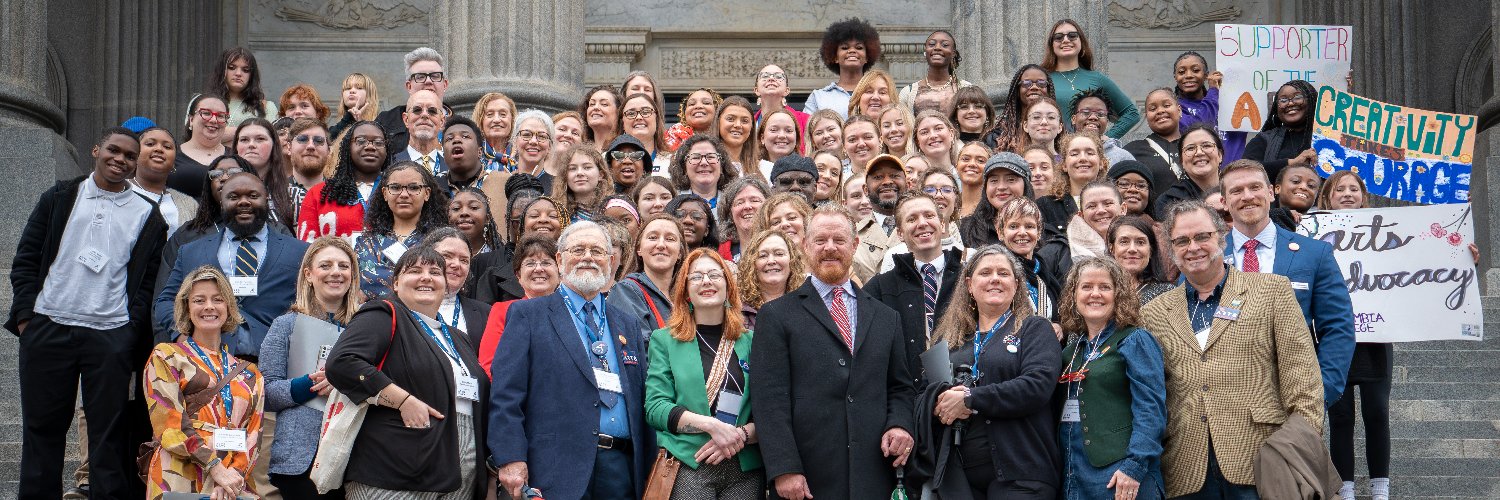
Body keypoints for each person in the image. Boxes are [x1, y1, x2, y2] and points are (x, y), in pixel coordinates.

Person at [9, 127, 165, 499]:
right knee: (42, 431)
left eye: (129, 155)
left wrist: (129, 331)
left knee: (108, 435)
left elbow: (147, 283)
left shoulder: (148, 214)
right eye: (114, 150)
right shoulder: (60, 197)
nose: (120, 159)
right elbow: (26, 257)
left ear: (136, 163)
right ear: (96, 149)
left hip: (110, 334)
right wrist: (27, 318)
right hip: (49, 325)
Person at [1143, 200, 1324, 498]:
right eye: (1182, 241)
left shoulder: (1272, 290)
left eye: (1202, 236)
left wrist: (1298, 450)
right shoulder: (1153, 312)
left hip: (1263, 460)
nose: (1193, 247)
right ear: (1171, 249)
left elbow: (1303, 380)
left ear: (1222, 237)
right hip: (1186, 468)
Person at [751, 204, 915, 500]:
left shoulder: (886, 317)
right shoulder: (776, 315)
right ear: (805, 245)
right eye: (820, 240)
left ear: (855, 244)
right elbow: (769, 400)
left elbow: (900, 387)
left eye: (839, 240)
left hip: (873, 472)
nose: (829, 248)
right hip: (806, 477)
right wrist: (784, 468)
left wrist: (900, 425)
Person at [489, 220, 656, 499]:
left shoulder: (627, 324)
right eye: (578, 250)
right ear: (559, 259)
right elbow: (506, 394)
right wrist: (510, 457)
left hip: (621, 469)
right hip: (554, 467)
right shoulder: (528, 315)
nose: (587, 257)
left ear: (610, 262)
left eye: (597, 251)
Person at [326, 245, 489, 498]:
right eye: (415, 271)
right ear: (395, 283)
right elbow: (343, 362)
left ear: (445, 284)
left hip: (461, 465)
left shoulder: (459, 338)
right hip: (395, 465)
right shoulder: (383, 314)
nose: (426, 277)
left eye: (435, 272)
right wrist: (402, 400)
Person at [926, 244, 1061, 499]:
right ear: (969, 284)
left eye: (1004, 273)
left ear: (1017, 285)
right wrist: (939, 404)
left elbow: (1037, 386)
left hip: (1022, 474)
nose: (995, 279)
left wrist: (970, 398)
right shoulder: (950, 340)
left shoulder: (1034, 329)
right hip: (959, 478)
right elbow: (925, 391)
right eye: (985, 273)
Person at [1219, 159, 1355, 407]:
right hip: (1225, 400)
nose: (1247, 196)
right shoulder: (1208, 256)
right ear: (1224, 201)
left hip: (1294, 399)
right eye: (1236, 191)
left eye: (1255, 187)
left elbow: (1337, 326)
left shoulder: (1314, 253)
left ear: (1271, 192)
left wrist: (1321, 393)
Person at [645, 249, 766, 497]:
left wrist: (738, 436)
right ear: (685, 290)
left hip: (743, 468)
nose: (706, 281)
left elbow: (770, 410)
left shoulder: (752, 341)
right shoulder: (664, 340)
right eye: (697, 277)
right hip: (690, 462)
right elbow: (655, 408)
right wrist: (711, 426)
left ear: (728, 286)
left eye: (714, 275)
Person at [154, 171, 311, 358]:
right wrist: (182, 336)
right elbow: (165, 301)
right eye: (233, 197)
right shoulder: (191, 252)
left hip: (275, 361)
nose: (244, 202)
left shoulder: (300, 251)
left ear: (267, 200)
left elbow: (314, 304)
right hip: (208, 359)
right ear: (222, 202)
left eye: (253, 196)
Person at [144, 266, 266, 500]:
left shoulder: (251, 373)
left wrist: (232, 476)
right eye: (199, 300)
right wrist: (215, 468)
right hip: (179, 473)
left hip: (232, 483)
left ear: (229, 307)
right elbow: (169, 422)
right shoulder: (167, 355)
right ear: (186, 308)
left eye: (217, 299)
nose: (209, 306)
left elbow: (253, 434)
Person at [1055, 257, 1167, 500]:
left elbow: (1151, 408)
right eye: (1086, 287)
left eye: (1104, 287)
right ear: (1074, 295)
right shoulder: (1070, 351)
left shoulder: (1135, 340)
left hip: (1121, 474)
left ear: (1118, 295)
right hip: (1074, 474)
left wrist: (1134, 467)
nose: (1095, 294)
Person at [257, 236, 360, 498]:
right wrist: (311, 384)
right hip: (300, 457)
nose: (336, 272)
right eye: (325, 265)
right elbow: (267, 392)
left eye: (343, 266)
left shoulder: (366, 327)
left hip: (356, 456)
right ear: (308, 275)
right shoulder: (286, 325)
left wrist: (346, 381)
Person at [1315, 171, 1392, 500]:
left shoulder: (1388, 231)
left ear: (1364, 196)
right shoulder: (1314, 233)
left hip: (1376, 336)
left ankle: (1380, 489)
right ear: (1327, 197)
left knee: (1377, 411)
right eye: (1339, 189)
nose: (1347, 194)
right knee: (1340, 415)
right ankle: (1344, 488)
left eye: (1353, 189)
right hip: (1333, 338)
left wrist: (1464, 260)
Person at [863, 193, 963, 386]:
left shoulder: (969, 277)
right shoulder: (880, 288)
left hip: (963, 392)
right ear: (900, 233)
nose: (922, 223)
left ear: (942, 225)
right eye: (912, 219)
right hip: (906, 394)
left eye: (929, 215)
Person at [355, 161, 450, 300]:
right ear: (385, 193)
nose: (404, 194)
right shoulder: (366, 241)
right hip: (377, 312)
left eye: (413, 187)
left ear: (427, 193)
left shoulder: (442, 240)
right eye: (395, 187)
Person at [476, 234, 561, 373]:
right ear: (518, 276)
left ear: (560, 273)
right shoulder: (503, 311)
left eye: (546, 263)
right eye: (530, 263)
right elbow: (490, 365)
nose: (538, 269)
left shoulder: (572, 311)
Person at [1041, 19, 1138, 138]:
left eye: (1072, 35)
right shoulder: (1042, 79)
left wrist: (1106, 139)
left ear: (1081, 42)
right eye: (1058, 37)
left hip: (1086, 148)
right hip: (1051, 148)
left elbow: (1132, 113)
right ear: (1052, 45)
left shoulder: (1097, 78)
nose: (1065, 40)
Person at [298, 120, 386, 242]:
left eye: (378, 142)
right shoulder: (318, 194)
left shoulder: (400, 191)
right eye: (361, 141)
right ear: (347, 147)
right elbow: (306, 248)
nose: (370, 147)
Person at [609, 213, 686, 346]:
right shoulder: (626, 292)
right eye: (652, 237)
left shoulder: (689, 295)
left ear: (680, 252)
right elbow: (641, 348)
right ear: (639, 249)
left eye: (670, 239)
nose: (661, 244)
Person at [1038, 181, 1125, 281]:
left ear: (1123, 209)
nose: (1100, 210)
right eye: (1091, 206)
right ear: (1081, 215)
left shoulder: (1136, 248)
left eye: (1108, 204)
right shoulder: (1056, 252)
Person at [994, 197, 1061, 321]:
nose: (1022, 232)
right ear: (1000, 232)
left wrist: (1058, 326)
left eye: (1029, 226)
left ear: (1039, 232)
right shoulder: (994, 271)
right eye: (1013, 226)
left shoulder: (1044, 273)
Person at [1173, 51, 1248, 163]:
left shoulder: (1230, 103)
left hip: (1234, 171)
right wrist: (1213, 90)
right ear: (1175, 77)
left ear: (1206, 75)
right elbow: (1200, 127)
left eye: (1196, 70)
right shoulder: (1175, 109)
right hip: (1201, 171)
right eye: (1181, 72)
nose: (1188, 75)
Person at [374, 47, 450, 155]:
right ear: (409, 86)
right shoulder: (386, 121)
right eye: (420, 77)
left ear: (445, 84)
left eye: (435, 76)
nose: (428, 81)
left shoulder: (461, 124)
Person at [1243, 80, 1319, 184]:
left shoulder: (1329, 139)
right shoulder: (1264, 139)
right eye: (1283, 100)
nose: (1290, 103)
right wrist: (1291, 163)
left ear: (1312, 101)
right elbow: (1245, 170)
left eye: (1297, 97)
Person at [805, 17, 881, 120]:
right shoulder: (818, 97)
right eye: (845, 48)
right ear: (835, 57)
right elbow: (807, 128)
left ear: (867, 57)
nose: (852, 51)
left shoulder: (880, 95)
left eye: (859, 48)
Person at [134, 126, 200, 237]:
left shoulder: (190, 204)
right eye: (150, 144)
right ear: (134, 154)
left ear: (174, 162)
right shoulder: (117, 192)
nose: (159, 149)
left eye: (167, 147)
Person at [232, 117, 297, 229]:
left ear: (274, 146)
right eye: (244, 140)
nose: (251, 145)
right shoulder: (223, 191)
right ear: (236, 147)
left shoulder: (295, 195)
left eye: (260, 139)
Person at [958, 151, 1033, 247]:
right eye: (994, 180)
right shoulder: (968, 229)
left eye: (1011, 179)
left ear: (1026, 185)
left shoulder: (1042, 227)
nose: (1001, 187)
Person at [852, 154, 907, 283]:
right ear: (866, 189)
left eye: (894, 175)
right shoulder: (852, 234)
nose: (887, 181)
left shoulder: (922, 228)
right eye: (878, 177)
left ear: (908, 184)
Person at [736, 230, 807, 329]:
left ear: (792, 260)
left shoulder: (807, 305)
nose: (771, 261)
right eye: (763, 256)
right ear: (751, 264)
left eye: (779, 254)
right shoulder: (737, 310)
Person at [1125, 88, 1185, 203]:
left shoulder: (1196, 146)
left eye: (1166, 105)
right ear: (1146, 116)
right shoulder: (1132, 150)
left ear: (1179, 110)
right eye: (1153, 109)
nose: (1160, 111)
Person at [1155, 123, 1224, 220]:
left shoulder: (1238, 190)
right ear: (1181, 161)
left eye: (1206, 146)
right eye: (1190, 148)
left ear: (1220, 155)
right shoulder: (1169, 201)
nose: (1199, 152)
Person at [169, 95, 232, 198]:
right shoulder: (171, 155)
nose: (214, 120)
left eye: (221, 116)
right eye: (206, 113)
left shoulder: (236, 156)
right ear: (191, 120)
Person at [985, 64, 1055, 153]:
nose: (1034, 87)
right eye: (1026, 83)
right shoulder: (1000, 133)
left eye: (1041, 83)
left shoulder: (1057, 128)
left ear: (1048, 90)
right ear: (1018, 91)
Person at [900, 30, 972, 114]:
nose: (937, 47)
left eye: (945, 45)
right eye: (932, 44)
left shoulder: (967, 89)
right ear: (925, 51)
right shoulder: (908, 93)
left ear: (953, 53)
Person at [1109, 215, 1175, 304]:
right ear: (1112, 249)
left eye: (1140, 242)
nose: (1132, 249)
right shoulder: (1099, 291)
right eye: (1124, 242)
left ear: (1151, 250)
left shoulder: (1168, 294)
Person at [210, 47, 278, 129]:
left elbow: (271, 135)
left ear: (251, 75)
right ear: (222, 71)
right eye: (231, 67)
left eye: (245, 70)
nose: (238, 73)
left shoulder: (267, 108)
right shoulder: (204, 104)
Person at [1069, 90, 1136, 166]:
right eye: (1086, 112)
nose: (1093, 117)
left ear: (1107, 121)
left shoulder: (1123, 158)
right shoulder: (1062, 153)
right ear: (1074, 119)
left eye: (1100, 114)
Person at [672, 133, 738, 208]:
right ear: (684, 168)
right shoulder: (673, 203)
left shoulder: (736, 202)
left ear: (722, 167)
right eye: (696, 157)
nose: (704, 162)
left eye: (711, 157)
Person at [553, 141, 614, 222]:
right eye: (572, 168)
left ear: (600, 175)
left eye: (587, 167)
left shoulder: (613, 209)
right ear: (565, 176)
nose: (579, 173)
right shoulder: (555, 214)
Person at [286, 118, 333, 220]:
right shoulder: (273, 194)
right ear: (289, 147)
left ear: (329, 151)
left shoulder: (342, 195)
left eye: (318, 141)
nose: (311, 146)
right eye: (302, 139)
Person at [393, 90, 447, 175]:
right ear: (406, 119)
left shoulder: (454, 164)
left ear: (442, 121)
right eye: (417, 110)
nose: (424, 115)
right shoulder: (391, 164)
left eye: (432, 111)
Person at [717, 176, 771, 261]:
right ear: (730, 213)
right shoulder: (718, 256)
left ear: (770, 206)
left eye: (755, 200)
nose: (747, 206)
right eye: (740, 203)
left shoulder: (784, 244)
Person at [619, 92, 669, 174]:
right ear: (622, 123)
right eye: (631, 113)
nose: (639, 117)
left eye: (646, 112)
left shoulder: (673, 161)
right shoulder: (607, 160)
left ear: (656, 119)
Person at [711, 96, 758, 177]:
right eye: (730, 119)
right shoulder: (705, 165)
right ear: (718, 121)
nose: (738, 125)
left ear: (752, 126)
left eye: (745, 121)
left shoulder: (765, 168)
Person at [667, 87, 723, 152]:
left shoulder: (727, 137)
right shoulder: (669, 138)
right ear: (684, 113)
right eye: (692, 104)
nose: (698, 106)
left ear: (718, 110)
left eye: (706, 103)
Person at [328, 72, 381, 141]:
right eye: (348, 88)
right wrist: (349, 117)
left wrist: (361, 123)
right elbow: (327, 140)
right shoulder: (334, 129)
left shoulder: (382, 124)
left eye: (359, 88)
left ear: (369, 95)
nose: (352, 91)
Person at [472, 92, 517, 171]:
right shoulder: (470, 155)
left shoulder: (522, 154)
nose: (496, 120)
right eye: (490, 114)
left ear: (512, 120)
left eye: (503, 114)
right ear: (480, 121)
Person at [451, 187, 502, 257]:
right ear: (449, 217)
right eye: (456, 208)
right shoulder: (439, 255)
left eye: (474, 207)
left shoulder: (500, 258)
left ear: (487, 218)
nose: (464, 212)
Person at [511, 110, 557, 185]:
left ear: (549, 146)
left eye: (541, 136)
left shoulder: (558, 187)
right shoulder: (498, 182)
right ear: (515, 141)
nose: (533, 141)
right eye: (526, 135)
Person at [1270, 163, 1320, 230]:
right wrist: (1280, 214)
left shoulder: (1326, 224)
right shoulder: (1263, 220)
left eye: (1311, 186)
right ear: (1277, 189)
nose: (1303, 187)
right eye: (1296, 181)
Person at [755, 109, 801, 173]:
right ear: (762, 138)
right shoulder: (749, 172)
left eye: (788, 130)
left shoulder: (807, 172)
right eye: (774, 130)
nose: (782, 135)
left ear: (796, 138)